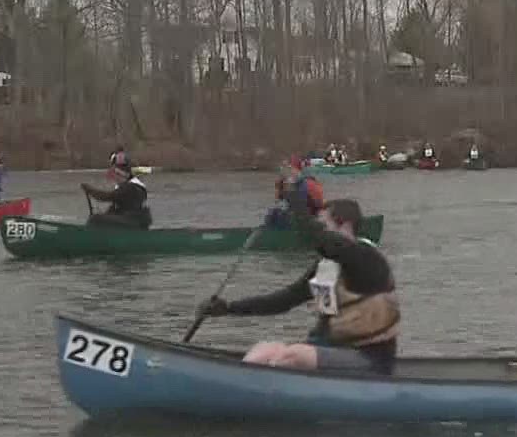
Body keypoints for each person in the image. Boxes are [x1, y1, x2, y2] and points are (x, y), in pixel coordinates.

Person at [200, 199, 399, 374]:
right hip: (327, 348)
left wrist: (297, 207)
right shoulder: (327, 266)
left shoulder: (368, 260)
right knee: (264, 350)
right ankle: (242, 388)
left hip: (368, 359)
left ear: (345, 225)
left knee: (293, 355)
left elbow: (325, 242)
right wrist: (228, 308)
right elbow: (285, 300)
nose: (319, 231)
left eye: (323, 225)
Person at [82, 153, 152, 229]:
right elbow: (116, 205)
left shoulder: (130, 187)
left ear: (126, 175)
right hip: (131, 219)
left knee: (95, 219)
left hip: (133, 221)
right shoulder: (130, 186)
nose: (115, 177)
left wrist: (89, 190)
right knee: (103, 216)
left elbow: (106, 196)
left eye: (117, 174)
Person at [264, 159, 325, 230]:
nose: (286, 172)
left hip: (308, 219)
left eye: (290, 169)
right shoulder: (282, 184)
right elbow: (278, 202)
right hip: (291, 217)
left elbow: (320, 205)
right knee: (273, 214)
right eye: (284, 169)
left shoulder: (310, 184)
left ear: (298, 170)